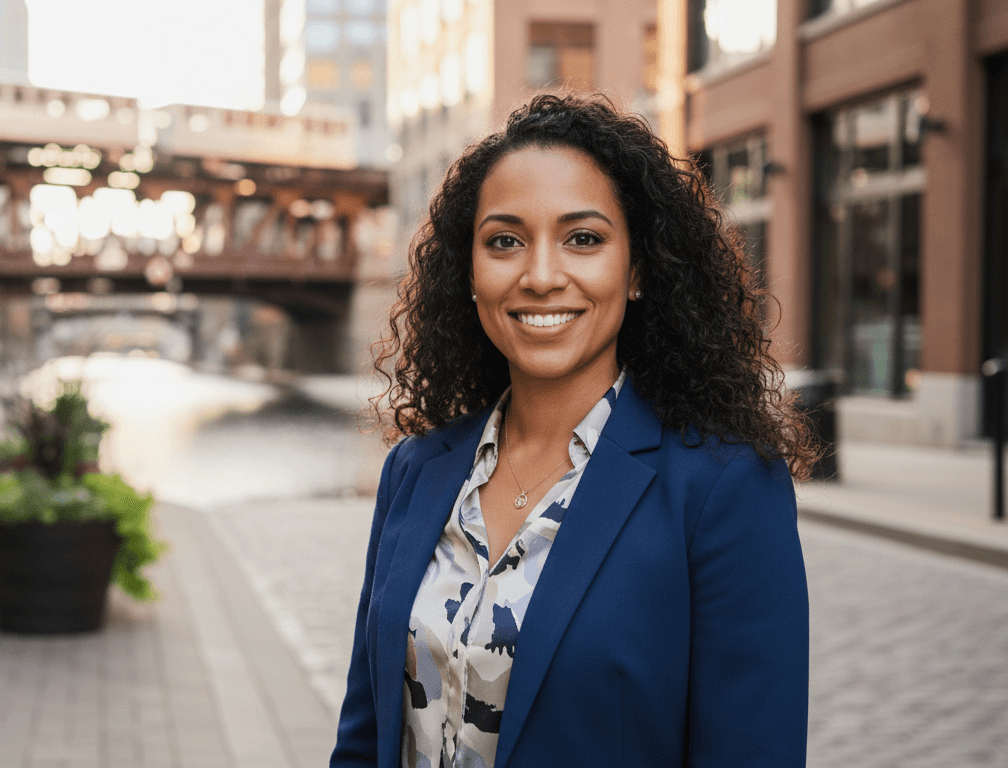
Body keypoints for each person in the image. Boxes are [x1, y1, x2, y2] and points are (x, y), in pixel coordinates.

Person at [331, 94, 817, 768]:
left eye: (583, 239)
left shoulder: (723, 490)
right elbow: (363, 738)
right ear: (469, 272)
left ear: (638, 269)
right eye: (505, 241)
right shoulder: (416, 470)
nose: (540, 276)